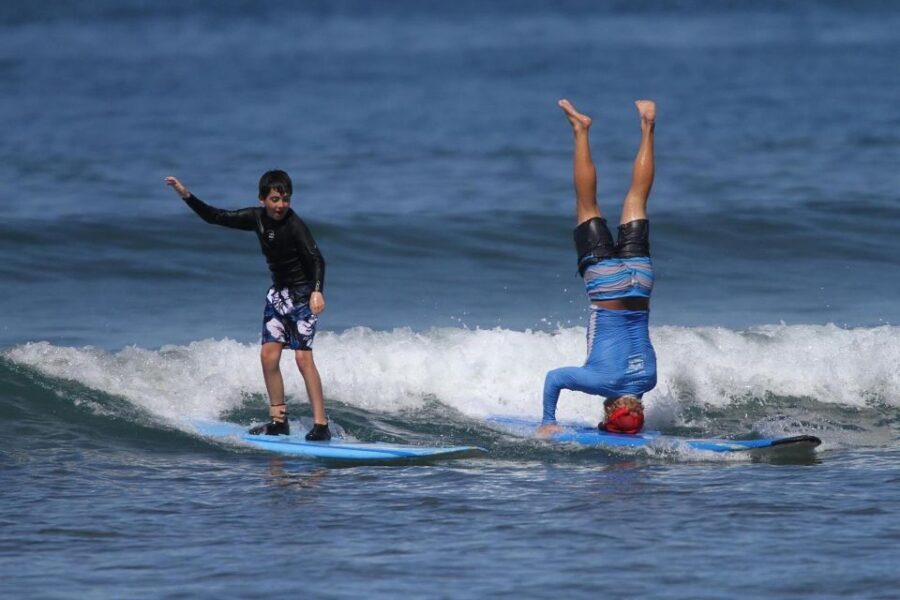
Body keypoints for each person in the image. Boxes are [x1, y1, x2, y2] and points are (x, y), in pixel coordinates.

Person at [165, 170, 331, 441]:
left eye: (285, 199)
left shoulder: (295, 225)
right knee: (268, 356)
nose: (280, 205)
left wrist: (316, 292)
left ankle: (321, 426)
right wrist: (185, 195)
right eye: (275, 199)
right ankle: (279, 422)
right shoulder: (256, 218)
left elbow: (317, 260)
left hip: (302, 296)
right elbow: (215, 216)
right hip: (277, 296)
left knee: (303, 359)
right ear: (262, 199)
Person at [538, 99, 658, 436]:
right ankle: (580, 130)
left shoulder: (648, 380)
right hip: (606, 285)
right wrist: (548, 421)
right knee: (587, 204)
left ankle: (648, 127)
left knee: (637, 199)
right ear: (608, 414)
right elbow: (554, 379)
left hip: (641, 282)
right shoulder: (600, 384)